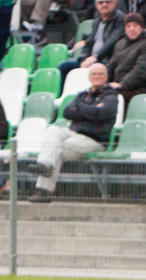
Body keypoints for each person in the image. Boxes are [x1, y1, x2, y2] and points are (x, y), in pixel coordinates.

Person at [29, 63, 118, 203]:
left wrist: (80, 108)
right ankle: (44, 165)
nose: (97, 77)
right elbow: (66, 112)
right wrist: (90, 110)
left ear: (106, 77)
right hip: (74, 134)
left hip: (93, 141)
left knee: (56, 148)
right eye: (94, 74)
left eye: (100, 74)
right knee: (53, 130)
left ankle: (43, 190)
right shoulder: (83, 94)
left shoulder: (111, 96)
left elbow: (100, 113)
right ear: (89, 77)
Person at [106, 13, 146, 104]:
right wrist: (105, 84)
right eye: (128, 26)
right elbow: (111, 66)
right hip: (120, 87)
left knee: (111, 99)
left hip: (142, 89)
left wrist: (121, 85)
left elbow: (141, 70)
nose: (132, 29)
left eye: (135, 25)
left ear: (141, 27)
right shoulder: (120, 44)